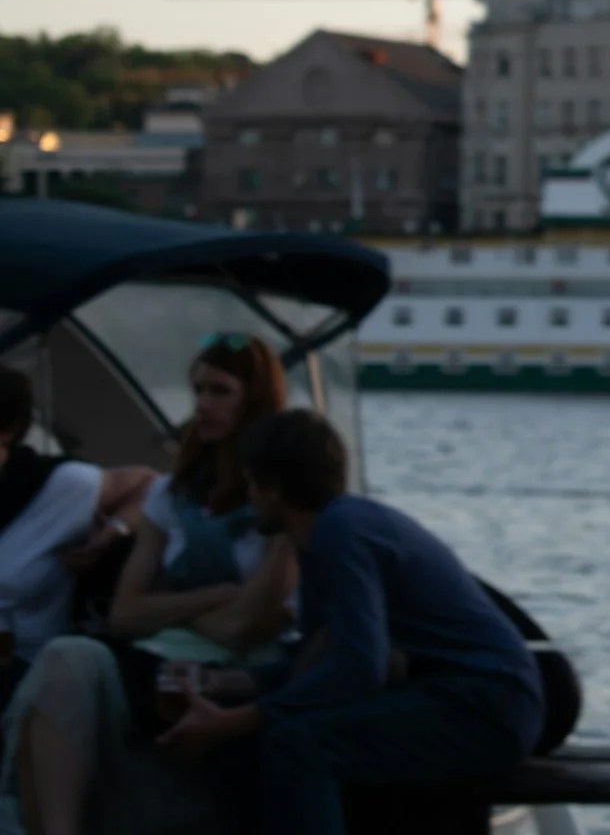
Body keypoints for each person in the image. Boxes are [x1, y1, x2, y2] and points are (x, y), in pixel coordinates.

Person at [155, 409, 543, 835]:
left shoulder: (342, 533)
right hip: (455, 695)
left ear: (275, 490)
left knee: (299, 745)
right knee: (279, 734)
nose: (247, 495)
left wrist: (239, 719)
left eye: (251, 482)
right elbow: (320, 660)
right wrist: (220, 683)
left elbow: (360, 667)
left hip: (488, 705)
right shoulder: (323, 535)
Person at [4, 334, 296, 835]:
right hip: (161, 655)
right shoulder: (173, 493)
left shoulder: (281, 494)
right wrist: (214, 598)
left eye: (220, 391)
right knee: (67, 659)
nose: (202, 404)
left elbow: (246, 627)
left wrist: (172, 606)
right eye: (198, 389)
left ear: (256, 399)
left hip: (251, 664)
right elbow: (124, 615)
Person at [0, 367, 152, 702]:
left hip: (27, 671)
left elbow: (151, 484)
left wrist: (112, 533)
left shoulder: (54, 487)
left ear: (8, 429)